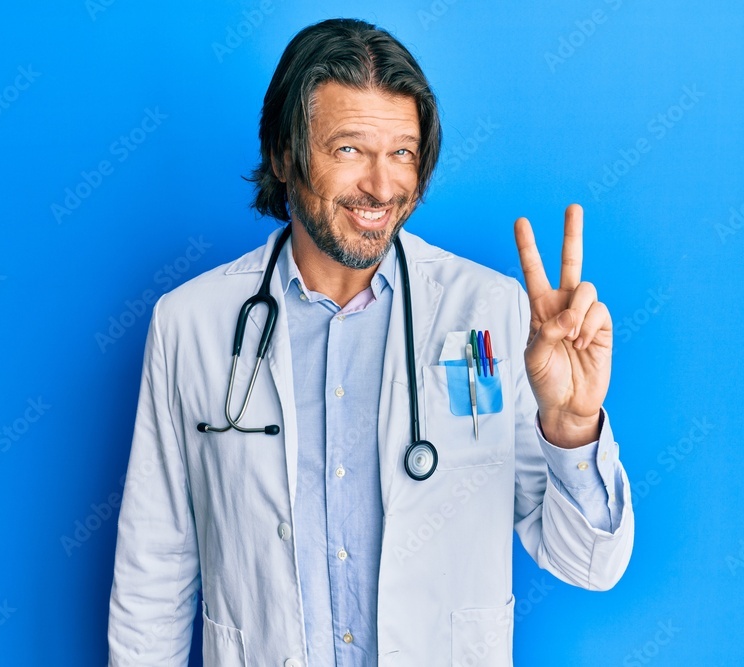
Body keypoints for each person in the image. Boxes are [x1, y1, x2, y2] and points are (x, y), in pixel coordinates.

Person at [108, 17, 633, 667]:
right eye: (350, 149)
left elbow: (589, 564)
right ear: (284, 155)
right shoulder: (190, 323)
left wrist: (574, 427)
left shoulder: (490, 313)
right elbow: (153, 571)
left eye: (403, 153)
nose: (382, 188)